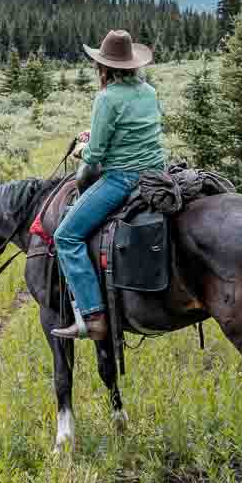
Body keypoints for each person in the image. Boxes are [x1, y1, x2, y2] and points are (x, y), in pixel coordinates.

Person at [50, 30, 166, 342]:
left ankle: (94, 316)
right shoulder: (149, 91)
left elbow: (97, 154)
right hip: (157, 174)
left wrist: (81, 149)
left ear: (105, 68)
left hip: (123, 178)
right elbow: (141, 130)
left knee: (66, 236)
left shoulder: (106, 97)